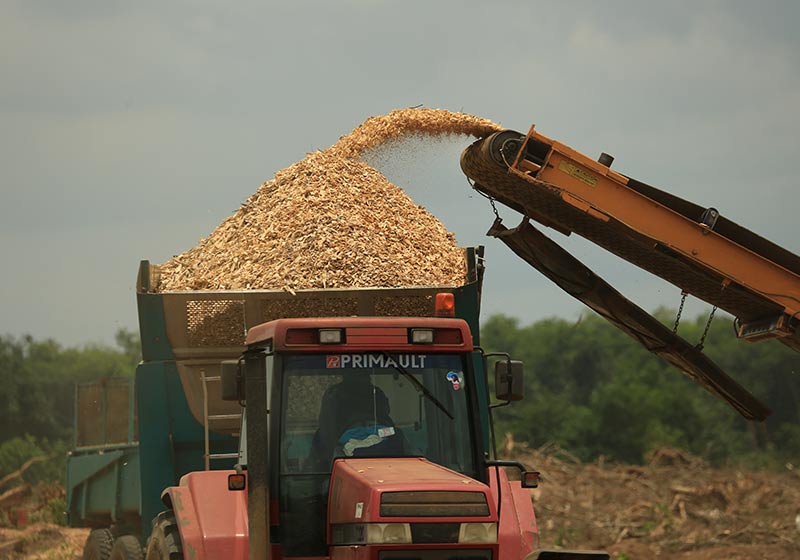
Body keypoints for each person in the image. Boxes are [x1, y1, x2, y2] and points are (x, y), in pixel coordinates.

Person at [309, 373, 402, 468]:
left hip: (362, 434)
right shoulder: (335, 393)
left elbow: (326, 421)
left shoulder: (334, 392)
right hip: (374, 434)